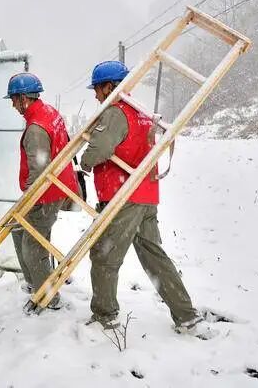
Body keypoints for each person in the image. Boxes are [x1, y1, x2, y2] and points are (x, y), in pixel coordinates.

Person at [80, 60, 209, 337]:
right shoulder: (140, 112)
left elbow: (100, 148)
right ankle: (186, 316)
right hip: (145, 194)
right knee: (154, 256)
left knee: (104, 256)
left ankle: (105, 316)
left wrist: (86, 162)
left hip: (123, 196)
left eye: (98, 89)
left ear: (109, 86)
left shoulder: (115, 112)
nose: (96, 95)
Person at [4, 73, 81, 313]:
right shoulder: (49, 113)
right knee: (20, 230)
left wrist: (29, 195)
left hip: (46, 193)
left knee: (33, 245)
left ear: (24, 98)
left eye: (15, 100)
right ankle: (36, 281)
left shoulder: (36, 127)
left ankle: (48, 298)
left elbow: (38, 170)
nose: (13, 105)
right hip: (57, 184)